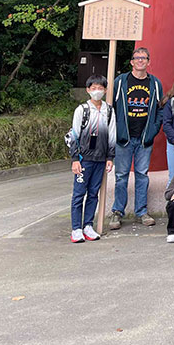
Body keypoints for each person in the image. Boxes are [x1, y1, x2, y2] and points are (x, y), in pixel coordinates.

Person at [110, 47, 163, 230]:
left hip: (144, 138)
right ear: (131, 62)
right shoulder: (121, 81)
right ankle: (117, 211)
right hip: (123, 137)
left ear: (149, 62)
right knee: (121, 176)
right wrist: (116, 131)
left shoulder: (155, 83)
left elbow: (160, 109)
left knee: (142, 175)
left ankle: (141, 211)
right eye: (137, 58)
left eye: (144, 58)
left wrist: (154, 130)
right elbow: (112, 108)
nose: (140, 61)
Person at [69, 75, 116, 243]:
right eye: (93, 88)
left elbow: (112, 135)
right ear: (88, 90)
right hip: (84, 159)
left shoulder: (109, 110)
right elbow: (74, 134)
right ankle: (76, 228)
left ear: (105, 90)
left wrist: (110, 157)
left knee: (94, 193)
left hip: (100, 159)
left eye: (100, 88)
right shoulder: (82, 110)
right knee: (79, 194)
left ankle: (88, 225)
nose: (97, 91)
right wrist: (75, 159)